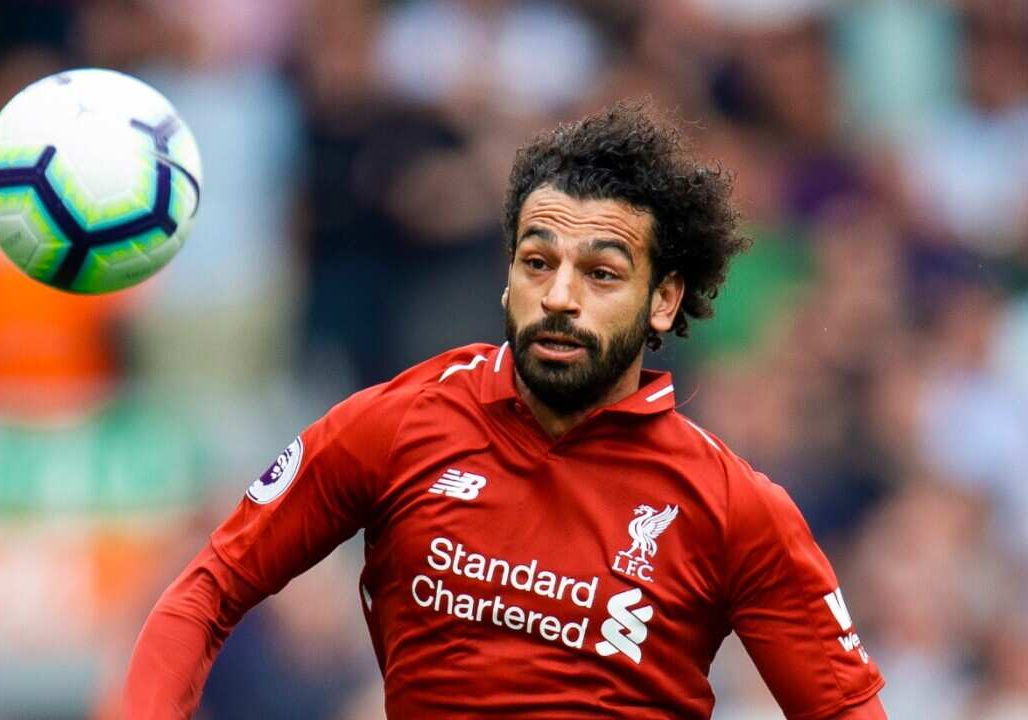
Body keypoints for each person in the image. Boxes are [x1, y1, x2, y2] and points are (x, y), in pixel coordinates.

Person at [123, 102, 887, 719]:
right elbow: (204, 594)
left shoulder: (734, 509)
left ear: (664, 300)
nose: (559, 295)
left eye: (601, 272)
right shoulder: (395, 427)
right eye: (537, 262)